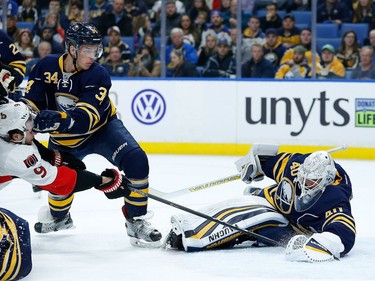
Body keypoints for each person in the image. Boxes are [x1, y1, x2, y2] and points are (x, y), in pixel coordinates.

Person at [21, 22, 162, 248]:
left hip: (103, 130)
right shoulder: (44, 67)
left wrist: (57, 119)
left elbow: (87, 117)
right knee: (59, 180)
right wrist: (27, 118)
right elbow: (31, 103)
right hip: (63, 137)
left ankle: (136, 220)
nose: (93, 56)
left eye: (96, 50)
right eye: (87, 50)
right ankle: (59, 218)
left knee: (137, 160)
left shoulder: (98, 74)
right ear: (72, 49)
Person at [164, 144, 356, 263]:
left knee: (256, 216)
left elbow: (345, 234)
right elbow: (267, 159)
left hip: (294, 228)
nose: (303, 183)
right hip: (270, 200)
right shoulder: (295, 165)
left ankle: (191, 236)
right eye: (302, 177)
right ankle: (191, 225)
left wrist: (318, 244)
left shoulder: (335, 198)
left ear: (326, 180)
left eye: (310, 181)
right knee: (243, 205)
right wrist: (253, 165)